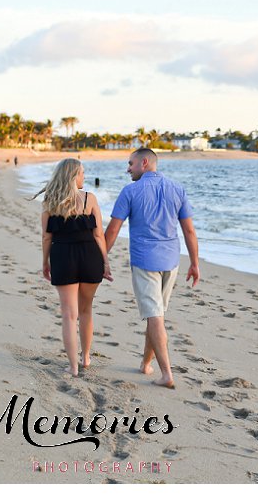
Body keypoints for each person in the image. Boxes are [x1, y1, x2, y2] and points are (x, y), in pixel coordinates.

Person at [102, 148, 201, 389]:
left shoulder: (130, 191)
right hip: (171, 261)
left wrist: (101, 257)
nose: (128, 169)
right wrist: (195, 263)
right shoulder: (177, 189)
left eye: (131, 164)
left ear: (144, 163)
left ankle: (166, 373)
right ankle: (146, 364)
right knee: (155, 314)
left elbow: (113, 230)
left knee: (154, 315)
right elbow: (189, 230)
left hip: (145, 261)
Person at [34, 159, 112, 377]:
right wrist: (105, 262)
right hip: (90, 257)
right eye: (82, 173)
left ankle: (73, 366)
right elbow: (98, 235)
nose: (84, 177)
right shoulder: (90, 199)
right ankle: (86, 357)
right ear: (73, 176)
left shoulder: (50, 201)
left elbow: (46, 237)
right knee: (86, 310)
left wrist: (45, 262)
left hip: (63, 257)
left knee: (69, 314)